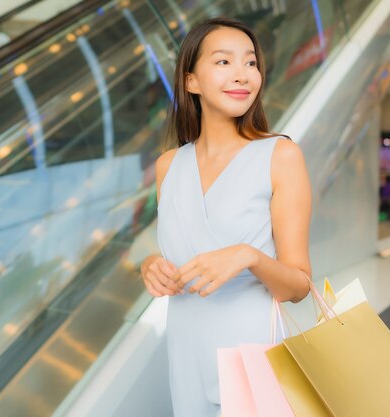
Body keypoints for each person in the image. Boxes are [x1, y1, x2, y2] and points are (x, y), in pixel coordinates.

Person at [139, 17, 312, 416]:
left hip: (251, 348)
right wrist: (150, 266)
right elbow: (174, 251)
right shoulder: (169, 165)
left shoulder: (280, 155)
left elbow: (299, 285)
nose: (243, 75)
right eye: (223, 62)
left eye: (251, 63)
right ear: (190, 81)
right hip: (186, 348)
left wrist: (248, 256)